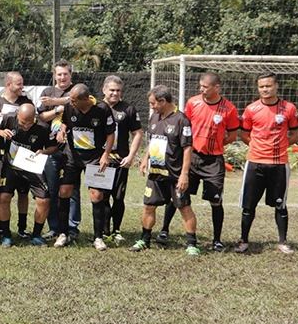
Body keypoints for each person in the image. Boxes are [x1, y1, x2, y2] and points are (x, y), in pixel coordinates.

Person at [158, 73, 239, 251]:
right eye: (200, 86)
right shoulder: (193, 103)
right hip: (191, 158)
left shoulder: (229, 109)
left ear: (216, 87)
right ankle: (164, 230)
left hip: (213, 161)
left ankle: (217, 240)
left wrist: (216, 144)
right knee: (177, 194)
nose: (201, 89)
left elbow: (232, 136)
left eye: (205, 86)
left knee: (216, 201)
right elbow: (183, 127)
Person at [129, 85, 200, 256]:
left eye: (153, 103)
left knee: (184, 207)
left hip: (175, 175)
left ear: (163, 101)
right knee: (148, 206)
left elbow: (187, 149)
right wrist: (145, 158)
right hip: (156, 173)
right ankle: (145, 239)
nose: (151, 107)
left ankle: (191, 244)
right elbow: (153, 140)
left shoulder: (181, 120)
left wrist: (184, 174)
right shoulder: (155, 117)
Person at [237, 72, 298, 254]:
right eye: (261, 87)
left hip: (279, 164)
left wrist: (279, 146)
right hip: (255, 163)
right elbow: (245, 135)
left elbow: (296, 135)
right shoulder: (251, 109)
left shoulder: (288, 109)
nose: (264, 89)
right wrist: (260, 147)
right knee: (248, 205)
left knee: (280, 204)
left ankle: (282, 242)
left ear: (276, 86)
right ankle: (243, 240)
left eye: (268, 86)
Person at [55, 84, 115, 250]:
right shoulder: (69, 107)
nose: (70, 102)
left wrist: (105, 154)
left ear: (85, 99)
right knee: (64, 191)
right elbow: (65, 123)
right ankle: (63, 234)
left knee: (96, 195)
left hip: (95, 157)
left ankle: (98, 238)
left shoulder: (102, 109)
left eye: (74, 100)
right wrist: (62, 131)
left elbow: (111, 133)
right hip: (72, 156)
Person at [0, 103, 58, 247]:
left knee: (44, 200)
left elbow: (53, 146)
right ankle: (6, 235)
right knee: (3, 198)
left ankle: (36, 235)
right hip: (10, 166)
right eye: (22, 122)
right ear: (17, 116)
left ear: (35, 117)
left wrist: (43, 152)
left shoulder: (43, 127)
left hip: (32, 167)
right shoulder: (8, 118)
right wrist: (0, 132)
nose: (26, 126)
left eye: (29, 123)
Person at [0, 71, 33, 239]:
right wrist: (0, 131)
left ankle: (22, 228)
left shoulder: (26, 102)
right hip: (2, 156)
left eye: (22, 83)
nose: (22, 87)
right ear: (8, 85)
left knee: (23, 193)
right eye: (19, 84)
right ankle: (1, 228)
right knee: (3, 193)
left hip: (24, 155)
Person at [38, 60, 82, 240]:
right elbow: (41, 116)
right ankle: (54, 228)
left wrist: (59, 103)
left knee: (73, 191)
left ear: (71, 75)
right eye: (59, 74)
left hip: (73, 149)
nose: (62, 77)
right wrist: (59, 109)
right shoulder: (47, 92)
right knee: (52, 189)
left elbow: (80, 103)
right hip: (51, 149)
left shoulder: (78, 91)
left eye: (65, 74)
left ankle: (72, 228)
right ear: (54, 76)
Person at [100, 75, 142, 243]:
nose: (115, 94)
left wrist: (131, 156)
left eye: (118, 91)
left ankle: (116, 230)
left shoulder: (128, 109)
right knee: (101, 197)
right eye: (112, 90)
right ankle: (104, 230)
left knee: (118, 198)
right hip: (101, 161)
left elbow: (137, 133)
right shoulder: (96, 107)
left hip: (120, 161)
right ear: (104, 90)